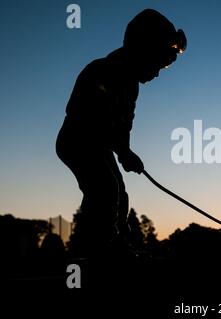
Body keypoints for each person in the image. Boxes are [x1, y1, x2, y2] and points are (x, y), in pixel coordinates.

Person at [56, 9, 186, 257]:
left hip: (99, 146)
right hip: (76, 141)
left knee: (117, 191)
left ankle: (114, 244)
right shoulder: (101, 71)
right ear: (142, 50)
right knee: (104, 188)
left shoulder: (131, 87)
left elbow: (124, 125)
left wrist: (125, 150)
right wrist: (122, 151)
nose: (158, 73)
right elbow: (87, 117)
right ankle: (97, 248)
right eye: (157, 63)